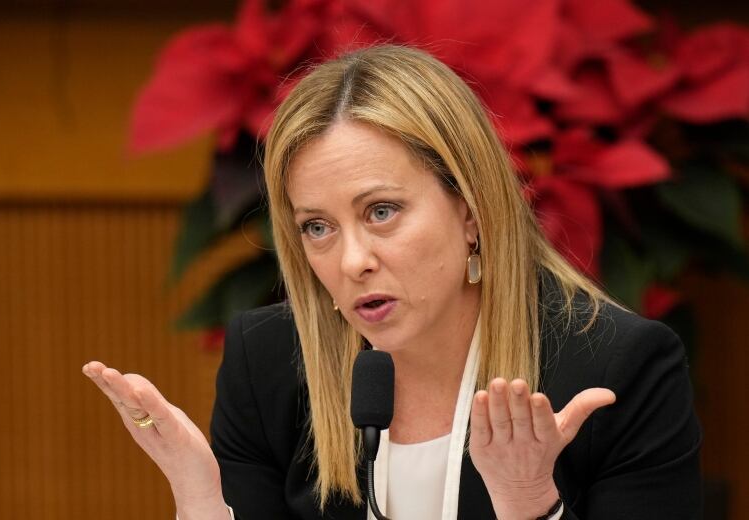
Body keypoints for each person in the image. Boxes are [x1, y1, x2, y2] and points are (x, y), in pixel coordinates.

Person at [83, 45, 702, 519]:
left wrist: (528, 502)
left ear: (471, 211)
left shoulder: (615, 368)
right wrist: (201, 500)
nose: (352, 261)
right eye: (318, 227)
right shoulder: (269, 362)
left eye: (381, 212)